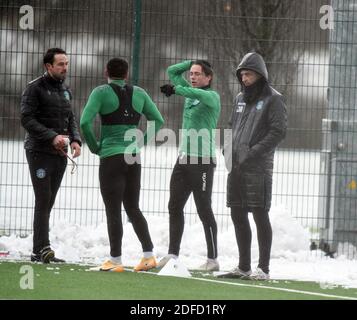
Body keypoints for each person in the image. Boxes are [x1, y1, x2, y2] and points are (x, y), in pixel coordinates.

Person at [80, 58, 164, 272]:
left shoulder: (100, 92)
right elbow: (158, 121)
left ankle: (115, 260)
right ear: (127, 74)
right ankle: (148, 256)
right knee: (133, 207)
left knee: (113, 210)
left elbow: (84, 122)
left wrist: (94, 146)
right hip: (133, 157)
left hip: (111, 156)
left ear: (105, 71)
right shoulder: (140, 92)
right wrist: (141, 142)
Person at [220, 52, 287, 280]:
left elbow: (278, 131)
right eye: (242, 75)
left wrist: (254, 152)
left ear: (260, 75)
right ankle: (243, 267)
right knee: (237, 215)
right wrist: (227, 150)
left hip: (259, 168)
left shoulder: (273, 98)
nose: (244, 78)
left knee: (260, 215)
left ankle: (263, 269)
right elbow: (231, 126)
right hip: (236, 167)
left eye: (248, 74)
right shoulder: (239, 98)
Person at [21, 48, 82, 263]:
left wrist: (75, 139)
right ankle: (41, 249)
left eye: (67, 63)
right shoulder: (34, 88)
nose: (65, 68)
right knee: (43, 198)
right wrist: (51, 136)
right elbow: (26, 119)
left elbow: (70, 117)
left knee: (49, 200)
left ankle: (42, 248)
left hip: (60, 153)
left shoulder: (65, 89)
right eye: (61, 64)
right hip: (39, 152)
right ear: (48, 66)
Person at [159, 60, 221, 271]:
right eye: (191, 74)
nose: (193, 77)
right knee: (174, 206)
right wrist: (191, 62)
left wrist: (177, 89)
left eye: (197, 74)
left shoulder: (211, 96)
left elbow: (197, 94)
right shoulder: (188, 90)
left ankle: (212, 260)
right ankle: (172, 254)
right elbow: (171, 71)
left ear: (208, 77)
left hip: (202, 161)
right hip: (183, 159)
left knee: (204, 209)